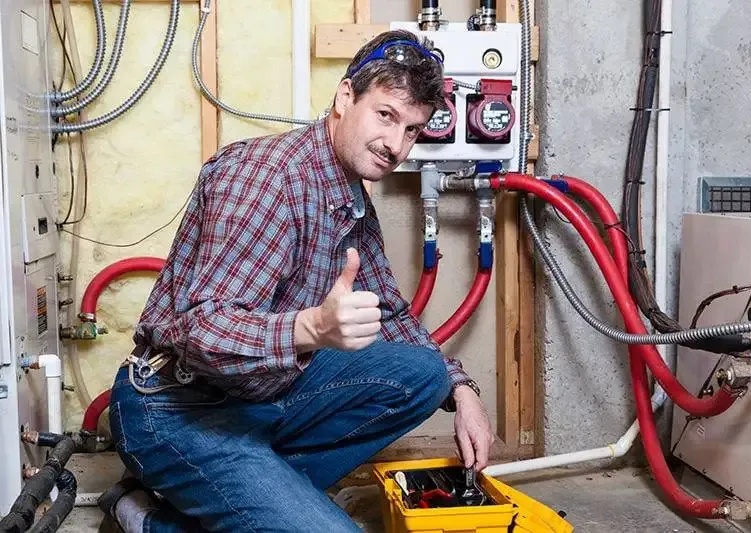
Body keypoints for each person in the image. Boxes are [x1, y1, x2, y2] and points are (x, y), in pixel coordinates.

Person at [98, 29, 494, 532]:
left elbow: (390, 315)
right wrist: (308, 329)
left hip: (261, 399)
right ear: (345, 96)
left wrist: (462, 393)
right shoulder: (263, 178)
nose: (396, 145)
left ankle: (226, 500)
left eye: (412, 130)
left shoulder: (348, 193)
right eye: (386, 116)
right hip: (177, 409)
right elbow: (202, 331)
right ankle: (155, 520)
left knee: (423, 374)